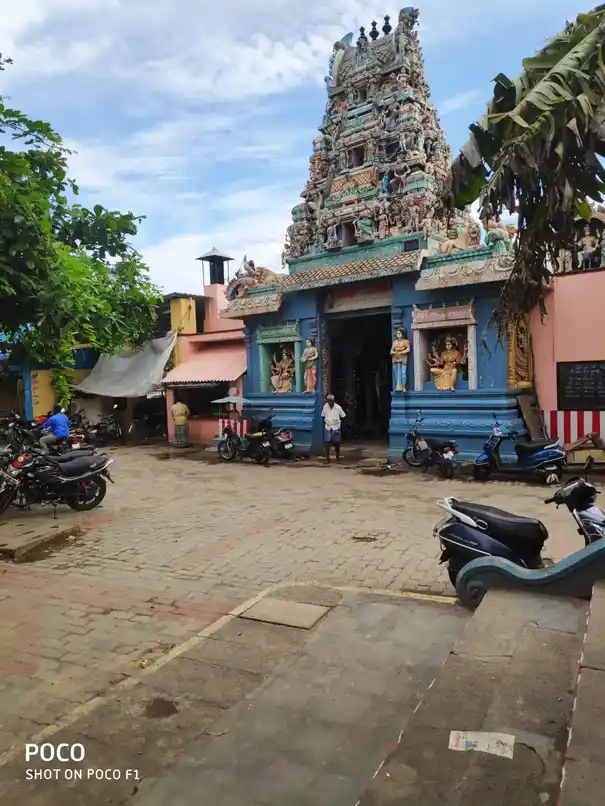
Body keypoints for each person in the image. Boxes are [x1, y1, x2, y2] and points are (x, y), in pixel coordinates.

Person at [321, 394, 346, 464]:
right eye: (328, 401)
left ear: (333, 400)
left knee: (337, 443)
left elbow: (343, 416)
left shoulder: (338, 407)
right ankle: (327, 459)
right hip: (328, 427)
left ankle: (337, 458)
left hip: (336, 427)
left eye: (331, 401)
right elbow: (323, 416)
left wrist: (340, 425)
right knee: (326, 444)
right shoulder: (325, 407)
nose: (329, 403)